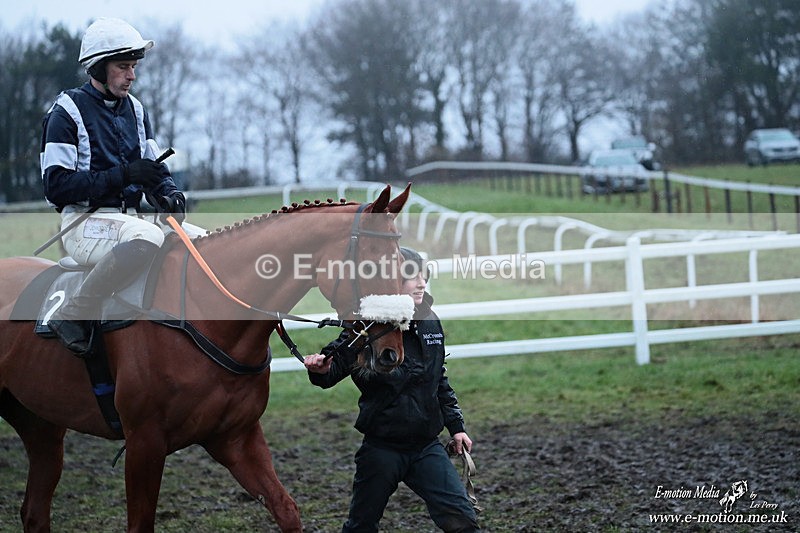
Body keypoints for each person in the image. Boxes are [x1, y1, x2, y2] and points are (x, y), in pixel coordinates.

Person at [40, 18, 201, 355]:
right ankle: (75, 314)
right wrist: (124, 175)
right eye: (123, 66)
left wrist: (170, 193)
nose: (132, 75)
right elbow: (56, 187)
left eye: (134, 66)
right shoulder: (65, 112)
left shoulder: (137, 111)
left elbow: (154, 170)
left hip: (131, 221)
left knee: (204, 240)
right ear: (99, 68)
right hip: (83, 225)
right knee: (147, 238)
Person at [304, 247, 481, 533]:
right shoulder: (368, 326)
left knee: (463, 521)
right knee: (361, 527)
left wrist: (457, 427)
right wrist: (320, 369)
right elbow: (332, 368)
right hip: (382, 450)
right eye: (412, 277)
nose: (422, 283)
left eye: (424, 276)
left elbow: (439, 379)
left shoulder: (430, 321)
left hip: (426, 446)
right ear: (392, 283)